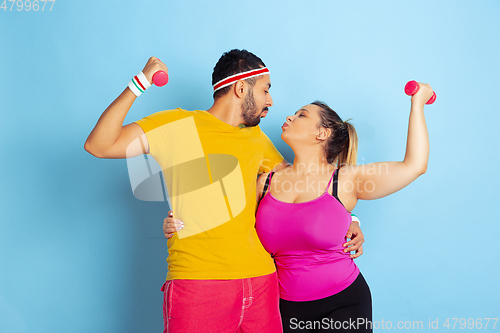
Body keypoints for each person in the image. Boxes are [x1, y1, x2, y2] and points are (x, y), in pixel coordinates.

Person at [84, 49, 365, 333]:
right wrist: (139, 83)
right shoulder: (175, 125)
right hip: (198, 283)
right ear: (242, 88)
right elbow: (99, 145)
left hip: (263, 283)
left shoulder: (256, 138)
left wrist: (350, 219)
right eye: (266, 90)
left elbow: (307, 187)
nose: (270, 101)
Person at [255, 88, 432, 332]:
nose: (289, 117)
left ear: (322, 133)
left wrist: (418, 102)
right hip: (286, 307)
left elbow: (415, 165)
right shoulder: (264, 183)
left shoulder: (344, 180)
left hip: (344, 302)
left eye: (301, 115)